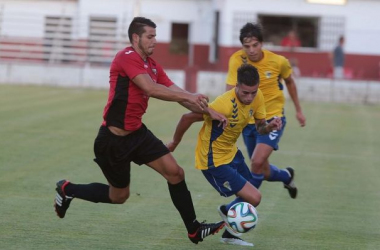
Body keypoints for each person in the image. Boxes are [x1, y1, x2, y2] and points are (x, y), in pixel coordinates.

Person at [53, 17, 225, 245]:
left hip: (137, 135)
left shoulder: (153, 65)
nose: (155, 41)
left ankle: (194, 229)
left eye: (155, 36)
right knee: (119, 196)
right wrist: (189, 96)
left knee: (176, 173)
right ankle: (67, 189)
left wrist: (209, 111)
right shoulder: (126, 58)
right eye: (150, 36)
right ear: (136, 38)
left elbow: (175, 92)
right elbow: (151, 89)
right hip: (113, 140)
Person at [167, 64, 282, 246]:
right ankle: (228, 213)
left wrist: (270, 126)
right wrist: (174, 142)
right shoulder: (223, 104)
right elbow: (186, 118)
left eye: (253, 92)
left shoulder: (257, 97)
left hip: (231, 152)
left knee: (249, 191)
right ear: (236, 85)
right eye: (245, 92)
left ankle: (229, 232)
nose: (249, 97)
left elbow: (260, 127)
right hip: (213, 159)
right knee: (255, 197)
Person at [226, 23, 306, 203]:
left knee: (256, 162)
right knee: (263, 169)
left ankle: (236, 209)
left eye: (255, 45)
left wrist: (299, 110)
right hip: (248, 122)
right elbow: (229, 90)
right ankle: (287, 177)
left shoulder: (278, 61)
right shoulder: (236, 60)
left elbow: (290, 82)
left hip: (272, 119)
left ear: (262, 43)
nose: (251, 50)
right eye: (247, 46)